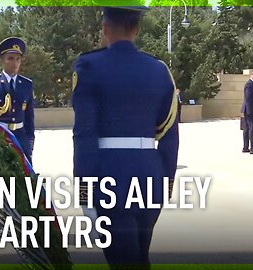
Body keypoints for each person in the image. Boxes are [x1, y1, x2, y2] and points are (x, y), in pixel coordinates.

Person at [72, 2, 179, 268]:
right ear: (137, 28)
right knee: (140, 257)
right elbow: (168, 132)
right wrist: (165, 182)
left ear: (105, 27)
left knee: (123, 262)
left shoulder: (88, 66)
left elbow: (85, 135)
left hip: (110, 176)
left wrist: (84, 193)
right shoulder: (159, 70)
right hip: (150, 176)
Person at [0, 37, 35, 164]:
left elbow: (29, 117)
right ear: (2, 61)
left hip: (21, 136)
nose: (15, 63)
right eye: (10, 58)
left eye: (18, 59)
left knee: (25, 178)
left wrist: (29, 140)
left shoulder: (27, 84)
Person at [241, 70, 253, 154]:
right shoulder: (249, 84)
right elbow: (248, 98)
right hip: (250, 110)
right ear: (251, 75)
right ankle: (252, 147)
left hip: (248, 110)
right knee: (251, 128)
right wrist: (252, 108)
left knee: (247, 128)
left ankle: (245, 147)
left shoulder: (252, 84)